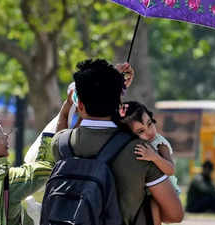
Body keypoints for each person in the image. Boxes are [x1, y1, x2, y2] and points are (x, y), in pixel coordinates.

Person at [50, 59, 184, 224]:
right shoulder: (140, 150)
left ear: (81, 105)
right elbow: (175, 214)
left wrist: (68, 106)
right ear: (118, 103)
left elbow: (68, 127)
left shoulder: (61, 144)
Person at [118, 101, 180, 225]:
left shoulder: (159, 143)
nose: (149, 131)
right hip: (146, 192)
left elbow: (170, 169)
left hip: (165, 192)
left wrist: (154, 157)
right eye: (141, 131)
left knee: (153, 207)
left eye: (149, 124)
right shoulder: (133, 146)